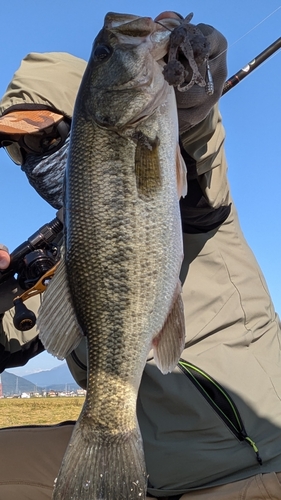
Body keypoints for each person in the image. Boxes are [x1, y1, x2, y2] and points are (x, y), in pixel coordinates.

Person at [0, 11, 280, 500]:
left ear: (85, 110)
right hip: (153, 465)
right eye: (20, 151)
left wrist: (193, 90)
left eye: (45, 138)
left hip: (253, 460)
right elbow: (18, 334)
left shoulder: (192, 200)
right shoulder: (66, 262)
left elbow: (198, 154)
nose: (33, 158)